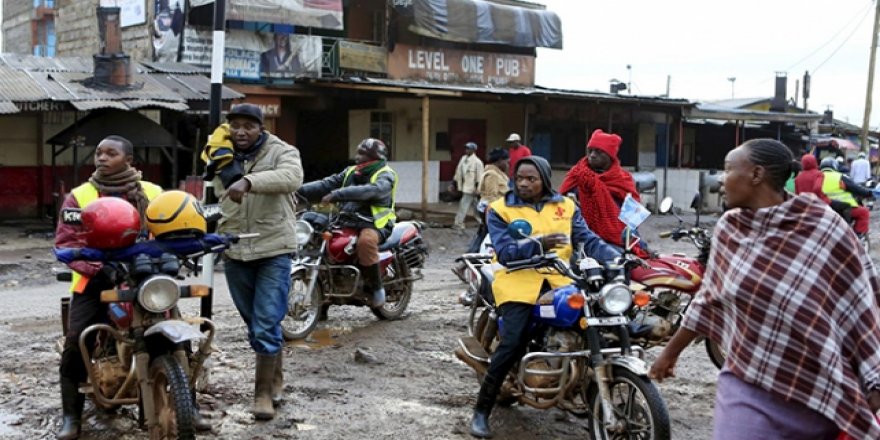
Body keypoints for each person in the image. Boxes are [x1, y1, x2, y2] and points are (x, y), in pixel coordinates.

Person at [648, 138, 880, 440]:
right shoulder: (730, 229)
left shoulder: (823, 226)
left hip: (815, 384)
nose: (720, 179)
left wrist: (873, 377)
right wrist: (669, 354)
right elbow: (708, 300)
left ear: (756, 175)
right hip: (748, 379)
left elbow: (863, 303)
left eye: (728, 169)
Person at [469, 156, 620, 438]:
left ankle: (587, 392)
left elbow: (587, 239)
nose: (524, 183)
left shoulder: (566, 205)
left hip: (561, 280)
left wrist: (615, 256)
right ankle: (481, 411)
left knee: (599, 324)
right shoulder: (499, 209)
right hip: (517, 282)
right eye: (520, 178)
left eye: (531, 178)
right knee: (512, 342)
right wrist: (539, 243)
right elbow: (505, 251)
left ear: (545, 180)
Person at [54, 136, 164, 439]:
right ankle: (71, 416)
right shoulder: (80, 195)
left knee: (171, 330)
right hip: (94, 280)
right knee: (77, 341)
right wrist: (100, 269)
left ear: (129, 160)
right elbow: (67, 242)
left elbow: (170, 232)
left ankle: (185, 402)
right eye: (99, 153)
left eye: (110, 153)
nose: (101, 158)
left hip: (144, 277)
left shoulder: (153, 193)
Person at [212, 103, 303, 420]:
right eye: (235, 126)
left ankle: (262, 394)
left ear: (261, 128)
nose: (240, 132)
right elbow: (217, 197)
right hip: (236, 250)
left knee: (265, 322)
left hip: (273, 249)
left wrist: (249, 182)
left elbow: (292, 178)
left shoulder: (282, 151)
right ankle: (275, 377)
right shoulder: (221, 154)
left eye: (248, 126)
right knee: (255, 324)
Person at [297, 138, 398, 308]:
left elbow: (373, 191)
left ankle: (376, 288)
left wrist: (339, 194)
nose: (357, 157)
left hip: (374, 224)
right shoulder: (351, 172)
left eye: (363, 154)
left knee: (365, 243)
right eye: (358, 152)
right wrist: (297, 190)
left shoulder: (385, 174)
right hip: (347, 221)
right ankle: (324, 298)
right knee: (321, 243)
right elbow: (325, 184)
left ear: (374, 157)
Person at [558, 129, 646, 256]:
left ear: (610, 156)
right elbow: (560, 204)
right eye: (590, 151)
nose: (592, 155)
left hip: (616, 240)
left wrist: (628, 239)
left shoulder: (623, 179)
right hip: (581, 238)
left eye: (599, 152)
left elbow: (633, 217)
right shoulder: (577, 175)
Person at [466, 147, 510, 253]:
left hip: (491, 209)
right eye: (507, 162)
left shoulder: (495, 173)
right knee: (486, 236)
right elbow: (491, 196)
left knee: (484, 235)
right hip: (491, 209)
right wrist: (495, 214)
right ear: (499, 161)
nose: (508, 165)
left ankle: (466, 262)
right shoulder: (492, 175)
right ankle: (466, 262)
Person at [816, 157, 872, 237]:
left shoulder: (816, 177)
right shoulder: (840, 177)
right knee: (864, 212)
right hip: (843, 209)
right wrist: (869, 193)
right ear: (834, 166)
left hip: (822, 208)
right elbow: (856, 188)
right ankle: (857, 237)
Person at [452, 142, 484, 230]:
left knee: (463, 205)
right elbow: (458, 172)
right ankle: (482, 221)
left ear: (473, 150)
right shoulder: (463, 159)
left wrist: (477, 189)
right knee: (476, 206)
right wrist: (453, 183)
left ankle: (459, 223)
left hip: (471, 188)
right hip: (465, 187)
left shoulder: (477, 162)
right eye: (466, 148)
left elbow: (479, 177)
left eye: (468, 148)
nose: (466, 150)